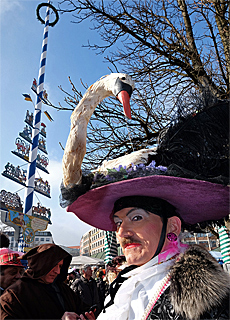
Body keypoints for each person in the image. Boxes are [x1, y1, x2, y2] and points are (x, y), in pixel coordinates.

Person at [60, 95, 229, 319]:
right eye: (118, 222)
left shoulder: (203, 302)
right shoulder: (124, 285)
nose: (121, 232)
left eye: (137, 218)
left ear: (173, 227)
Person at [0, 243, 91, 319]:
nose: (58, 271)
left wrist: (87, 315)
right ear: (41, 264)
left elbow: (82, 308)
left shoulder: (63, 289)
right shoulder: (13, 295)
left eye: (60, 266)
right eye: (54, 265)